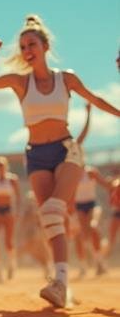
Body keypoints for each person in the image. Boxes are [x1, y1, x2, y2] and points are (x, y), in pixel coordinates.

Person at [0, 15, 120, 307]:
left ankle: (60, 282)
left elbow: (97, 99)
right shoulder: (20, 82)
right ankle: (61, 282)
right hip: (36, 154)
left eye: (32, 44)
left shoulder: (67, 78)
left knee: (53, 210)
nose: (27, 50)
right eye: (23, 46)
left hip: (67, 150)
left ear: (46, 46)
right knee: (50, 220)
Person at [72, 103, 111, 277]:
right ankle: (82, 266)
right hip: (79, 205)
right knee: (81, 234)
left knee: (93, 228)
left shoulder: (91, 172)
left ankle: (99, 262)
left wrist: (114, 184)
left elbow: (107, 186)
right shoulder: (71, 173)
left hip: (92, 204)